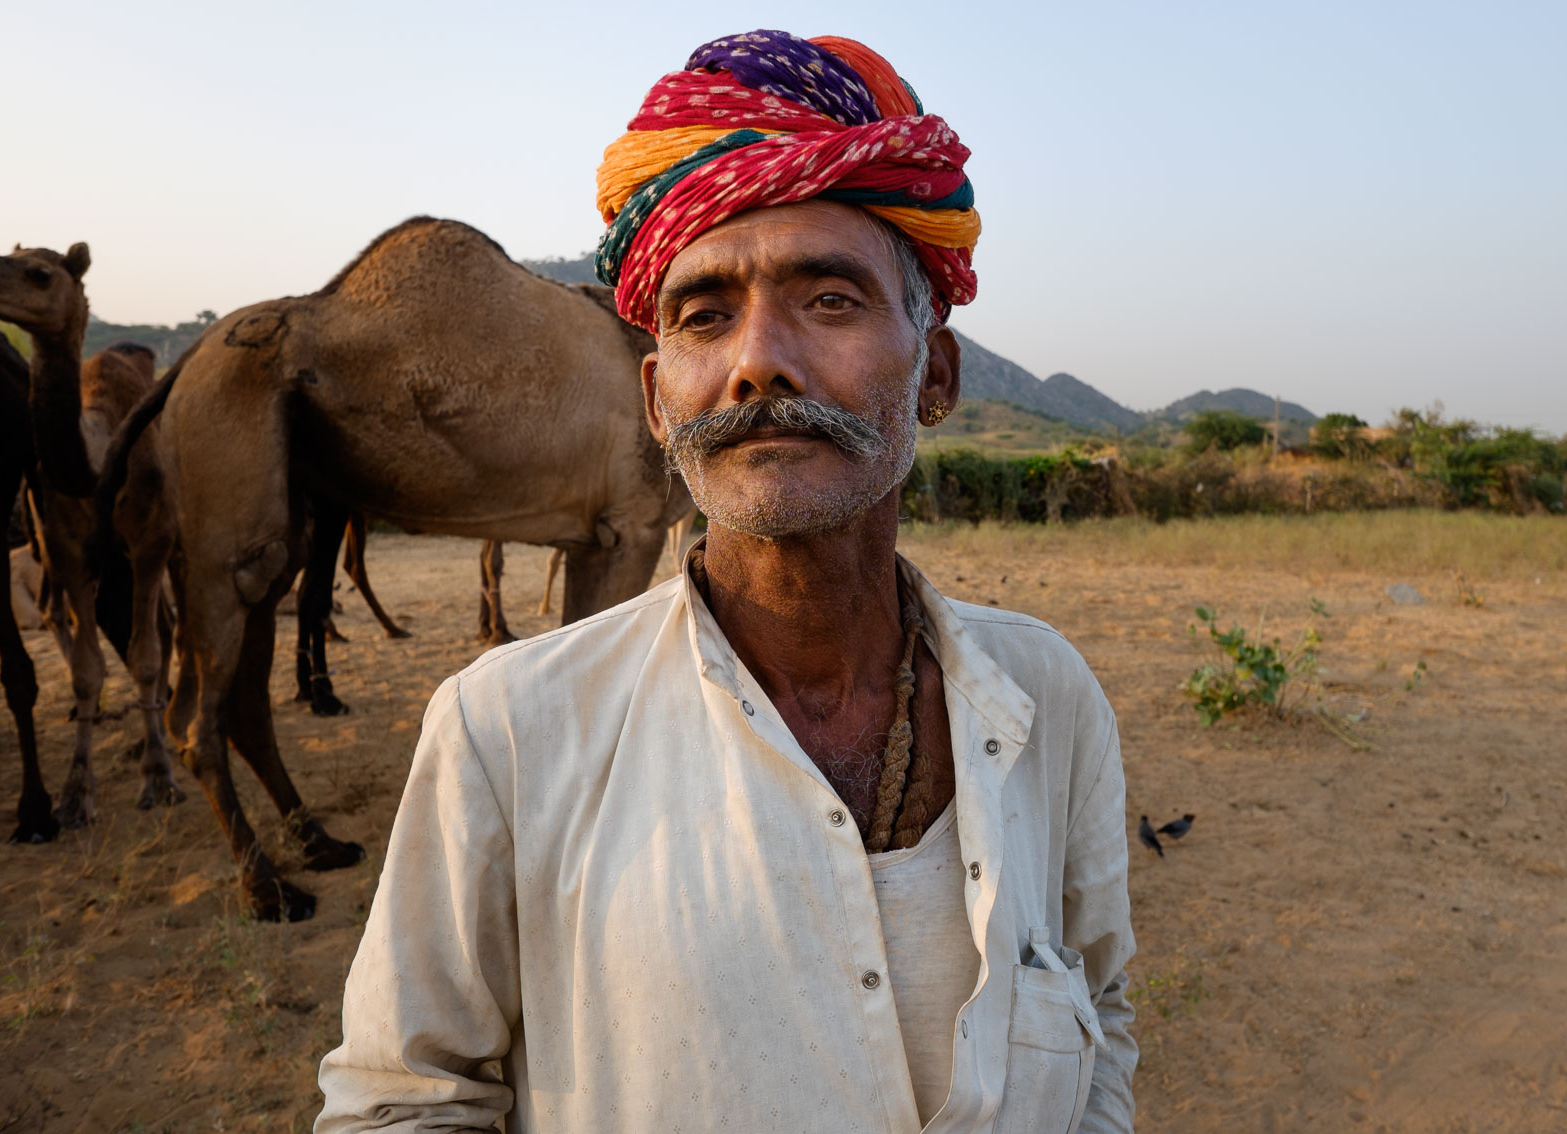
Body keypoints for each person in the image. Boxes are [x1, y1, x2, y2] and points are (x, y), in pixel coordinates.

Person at [316, 29, 1137, 1133]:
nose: (760, 360)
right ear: (659, 400)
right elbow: (402, 1103)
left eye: (830, 300)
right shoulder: (507, 732)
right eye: (706, 315)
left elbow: (1100, 1009)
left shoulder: (1049, 697)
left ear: (935, 374)